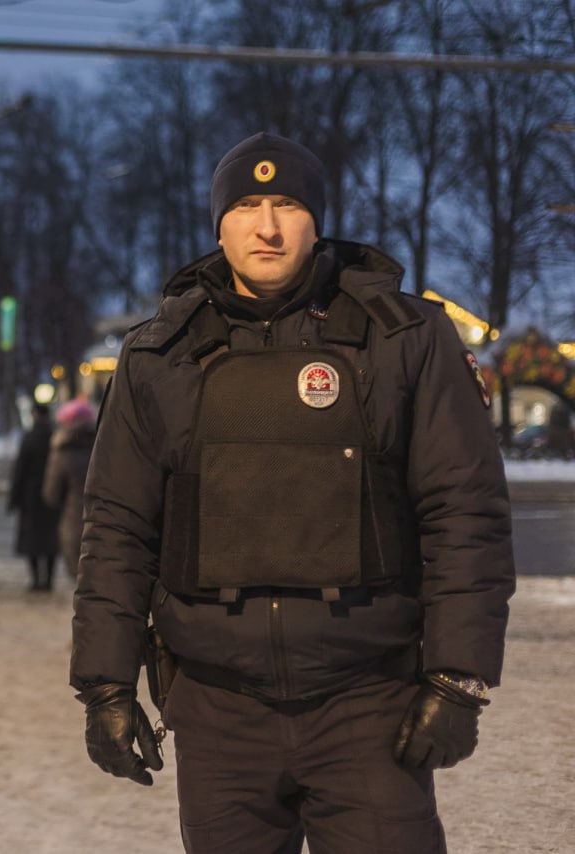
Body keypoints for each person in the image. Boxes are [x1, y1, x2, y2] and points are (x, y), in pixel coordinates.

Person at [71, 132, 515, 853]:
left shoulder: (402, 339)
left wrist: (458, 679)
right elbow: (118, 530)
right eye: (246, 205)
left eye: (287, 205)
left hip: (368, 703)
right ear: (219, 224)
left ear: (318, 220)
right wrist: (105, 687)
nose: (268, 226)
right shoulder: (159, 354)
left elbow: (464, 512)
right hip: (217, 711)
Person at [41, 398, 97, 582]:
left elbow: (51, 495)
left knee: (80, 582)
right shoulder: (104, 447)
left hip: (73, 524)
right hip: (107, 524)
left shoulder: (62, 451)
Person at [8, 402, 59, 591]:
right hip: (53, 496)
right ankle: (49, 580)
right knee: (50, 540)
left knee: (32, 541)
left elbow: (20, 470)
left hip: (31, 496)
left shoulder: (29, 438)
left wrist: (14, 499)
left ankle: (37, 579)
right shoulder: (55, 437)